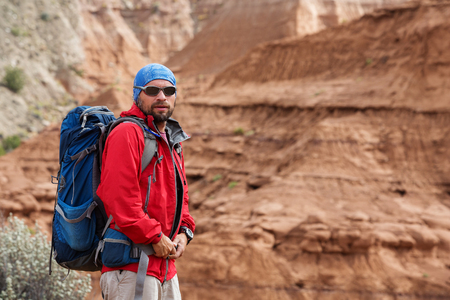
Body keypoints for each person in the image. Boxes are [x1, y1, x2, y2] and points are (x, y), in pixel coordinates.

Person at [97, 63, 195, 300]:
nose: (162, 97)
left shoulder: (171, 140)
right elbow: (119, 199)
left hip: (165, 270)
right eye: (152, 91)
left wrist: (185, 232)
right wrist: (154, 237)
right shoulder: (127, 133)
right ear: (136, 94)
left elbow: (181, 198)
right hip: (130, 267)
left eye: (169, 91)